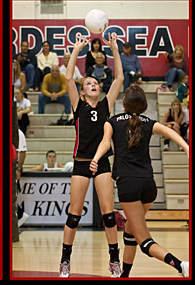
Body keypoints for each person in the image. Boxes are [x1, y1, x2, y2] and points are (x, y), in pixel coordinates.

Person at [89, 85, 189, 278]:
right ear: (143, 105)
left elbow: (104, 143)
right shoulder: (149, 122)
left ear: (124, 103)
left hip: (129, 186)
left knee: (144, 241)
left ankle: (181, 266)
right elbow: (171, 133)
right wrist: (186, 147)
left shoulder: (112, 122)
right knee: (130, 231)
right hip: (149, 187)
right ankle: (124, 275)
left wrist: (95, 159)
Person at [59, 33, 124, 278]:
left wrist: (115, 50)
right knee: (74, 216)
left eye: (95, 82)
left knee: (108, 215)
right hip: (81, 164)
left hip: (103, 163)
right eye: (88, 83)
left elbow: (119, 77)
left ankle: (113, 260)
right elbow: (68, 77)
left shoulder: (106, 104)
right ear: (83, 91)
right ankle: (65, 260)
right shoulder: (79, 105)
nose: (93, 84)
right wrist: (76, 49)